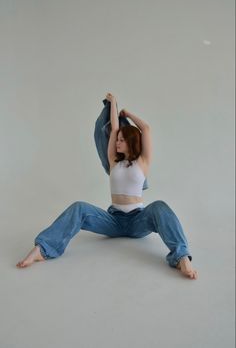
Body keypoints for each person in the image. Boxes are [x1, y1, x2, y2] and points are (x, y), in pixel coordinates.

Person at [16, 93, 198, 280]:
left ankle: (181, 257)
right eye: (117, 140)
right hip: (113, 221)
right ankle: (43, 249)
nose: (117, 142)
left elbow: (146, 129)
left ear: (131, 142)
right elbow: (114, 128)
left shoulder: (143, 161)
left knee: (160, 207)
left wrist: (128, 113)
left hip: (138, 221)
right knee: (79, 207)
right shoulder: (113, 161)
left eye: (121, 140)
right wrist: (113, 105)